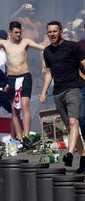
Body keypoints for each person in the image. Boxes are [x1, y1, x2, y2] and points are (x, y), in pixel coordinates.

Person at [0, 21, 44, 148]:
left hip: (25, 76)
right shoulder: (5, 43)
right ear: (10, 33)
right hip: (12, 78)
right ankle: (20, 137)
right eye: (16, 32)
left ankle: (26, 136)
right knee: (14, 109)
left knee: (25, 106)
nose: (19, 35)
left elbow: (42, 47)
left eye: (20, 32)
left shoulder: (25, 42)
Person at [40, 21, 85, 173]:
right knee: (69, 127)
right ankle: (84, 157)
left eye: (54, 31)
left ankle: (70, 153)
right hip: (57, 92)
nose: (52, 34)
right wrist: (44, 91)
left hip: (73, 87)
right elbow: (49, 72)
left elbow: (84, 63)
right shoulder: (47, 51)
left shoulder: (72, 46)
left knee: (74, 122)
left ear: (60, 32)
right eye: (49, 32)